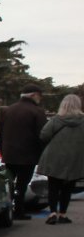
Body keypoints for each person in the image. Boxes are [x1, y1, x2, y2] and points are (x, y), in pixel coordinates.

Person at [0, 86, 47, 219]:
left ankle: (7, 209)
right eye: (39, 96)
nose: (40, 99)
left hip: (9, 154)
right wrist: (42, 153)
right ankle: (19, 210)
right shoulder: (37, 112)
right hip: (28, 155)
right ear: (34, 95)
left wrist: (3, 151)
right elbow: (42, 135)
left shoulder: (7, 110)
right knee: (22, 184)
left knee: (9, 183)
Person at [37, 93, 84, 224]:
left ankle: (52, 213)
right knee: (68, 187)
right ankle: (63, 214)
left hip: (54, 156)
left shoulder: (56, 120)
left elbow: (44, 135)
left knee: (53, 186)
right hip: (76, 158)